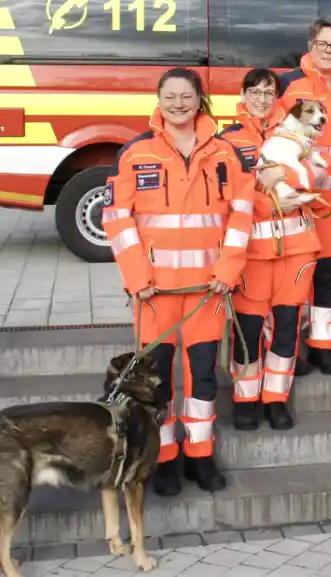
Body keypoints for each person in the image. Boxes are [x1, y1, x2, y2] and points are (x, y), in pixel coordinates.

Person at [102, 67, 255, 496]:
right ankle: (165, 458)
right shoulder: (135, 153)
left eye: (186, 96)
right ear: (159, 99)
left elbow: (241, 216)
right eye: (170, 96)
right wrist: (137, 278)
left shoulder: (225, 154)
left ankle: (201, 456)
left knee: (203, 376)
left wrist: (227, 271)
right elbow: (117, 219)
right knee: (158, 382)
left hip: (208, 291)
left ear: (199, 99)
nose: (178, 104)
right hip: (155, 294)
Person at [220, 68, 327, 431]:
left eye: (269, 92)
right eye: (255, 91)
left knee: (286, 327)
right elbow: (223, 191)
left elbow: (319, 175)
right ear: (243, 95)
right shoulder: (227, 140)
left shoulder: (296, 129)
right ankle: (245, 399)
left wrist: (284, 174)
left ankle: (276, 399)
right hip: (250, 253)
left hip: (296, 250)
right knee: (248, 329)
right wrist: (261, 190)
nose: (262, 99)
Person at [277, 17, 331, 377]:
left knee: (328, 275)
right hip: (298, 201)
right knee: (296, 276)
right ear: (311, 46)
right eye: (322, 44)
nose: (329, 51)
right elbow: (275, 142)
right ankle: (288, 348)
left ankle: (321, 346)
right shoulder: (290, 85)